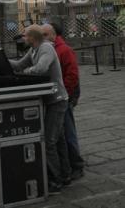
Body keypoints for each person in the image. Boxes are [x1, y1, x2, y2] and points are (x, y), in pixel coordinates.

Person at [9, 24, 71, 194]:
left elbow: (41, 68)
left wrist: (26, 72)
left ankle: (56, 181)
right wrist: (1, 61)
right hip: (51, 100)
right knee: (58, 140)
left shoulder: (46, 49)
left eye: (25, 35)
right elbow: (19, 64)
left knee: (49, 142)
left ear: (33, 37)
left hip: (57, 100)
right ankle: (66, 174)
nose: (23, 38)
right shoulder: (34, 50)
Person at [42, 23, 85, 179]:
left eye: (45, 35)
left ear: (54, 35)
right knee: (61, 131)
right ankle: (67, 164)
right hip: (61, 94)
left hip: (65, 95)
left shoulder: (63, 49)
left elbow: (72, 75)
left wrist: (65, 93)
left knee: (67, 130)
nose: (43, 38)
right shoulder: (52, 48)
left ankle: (77, 165)